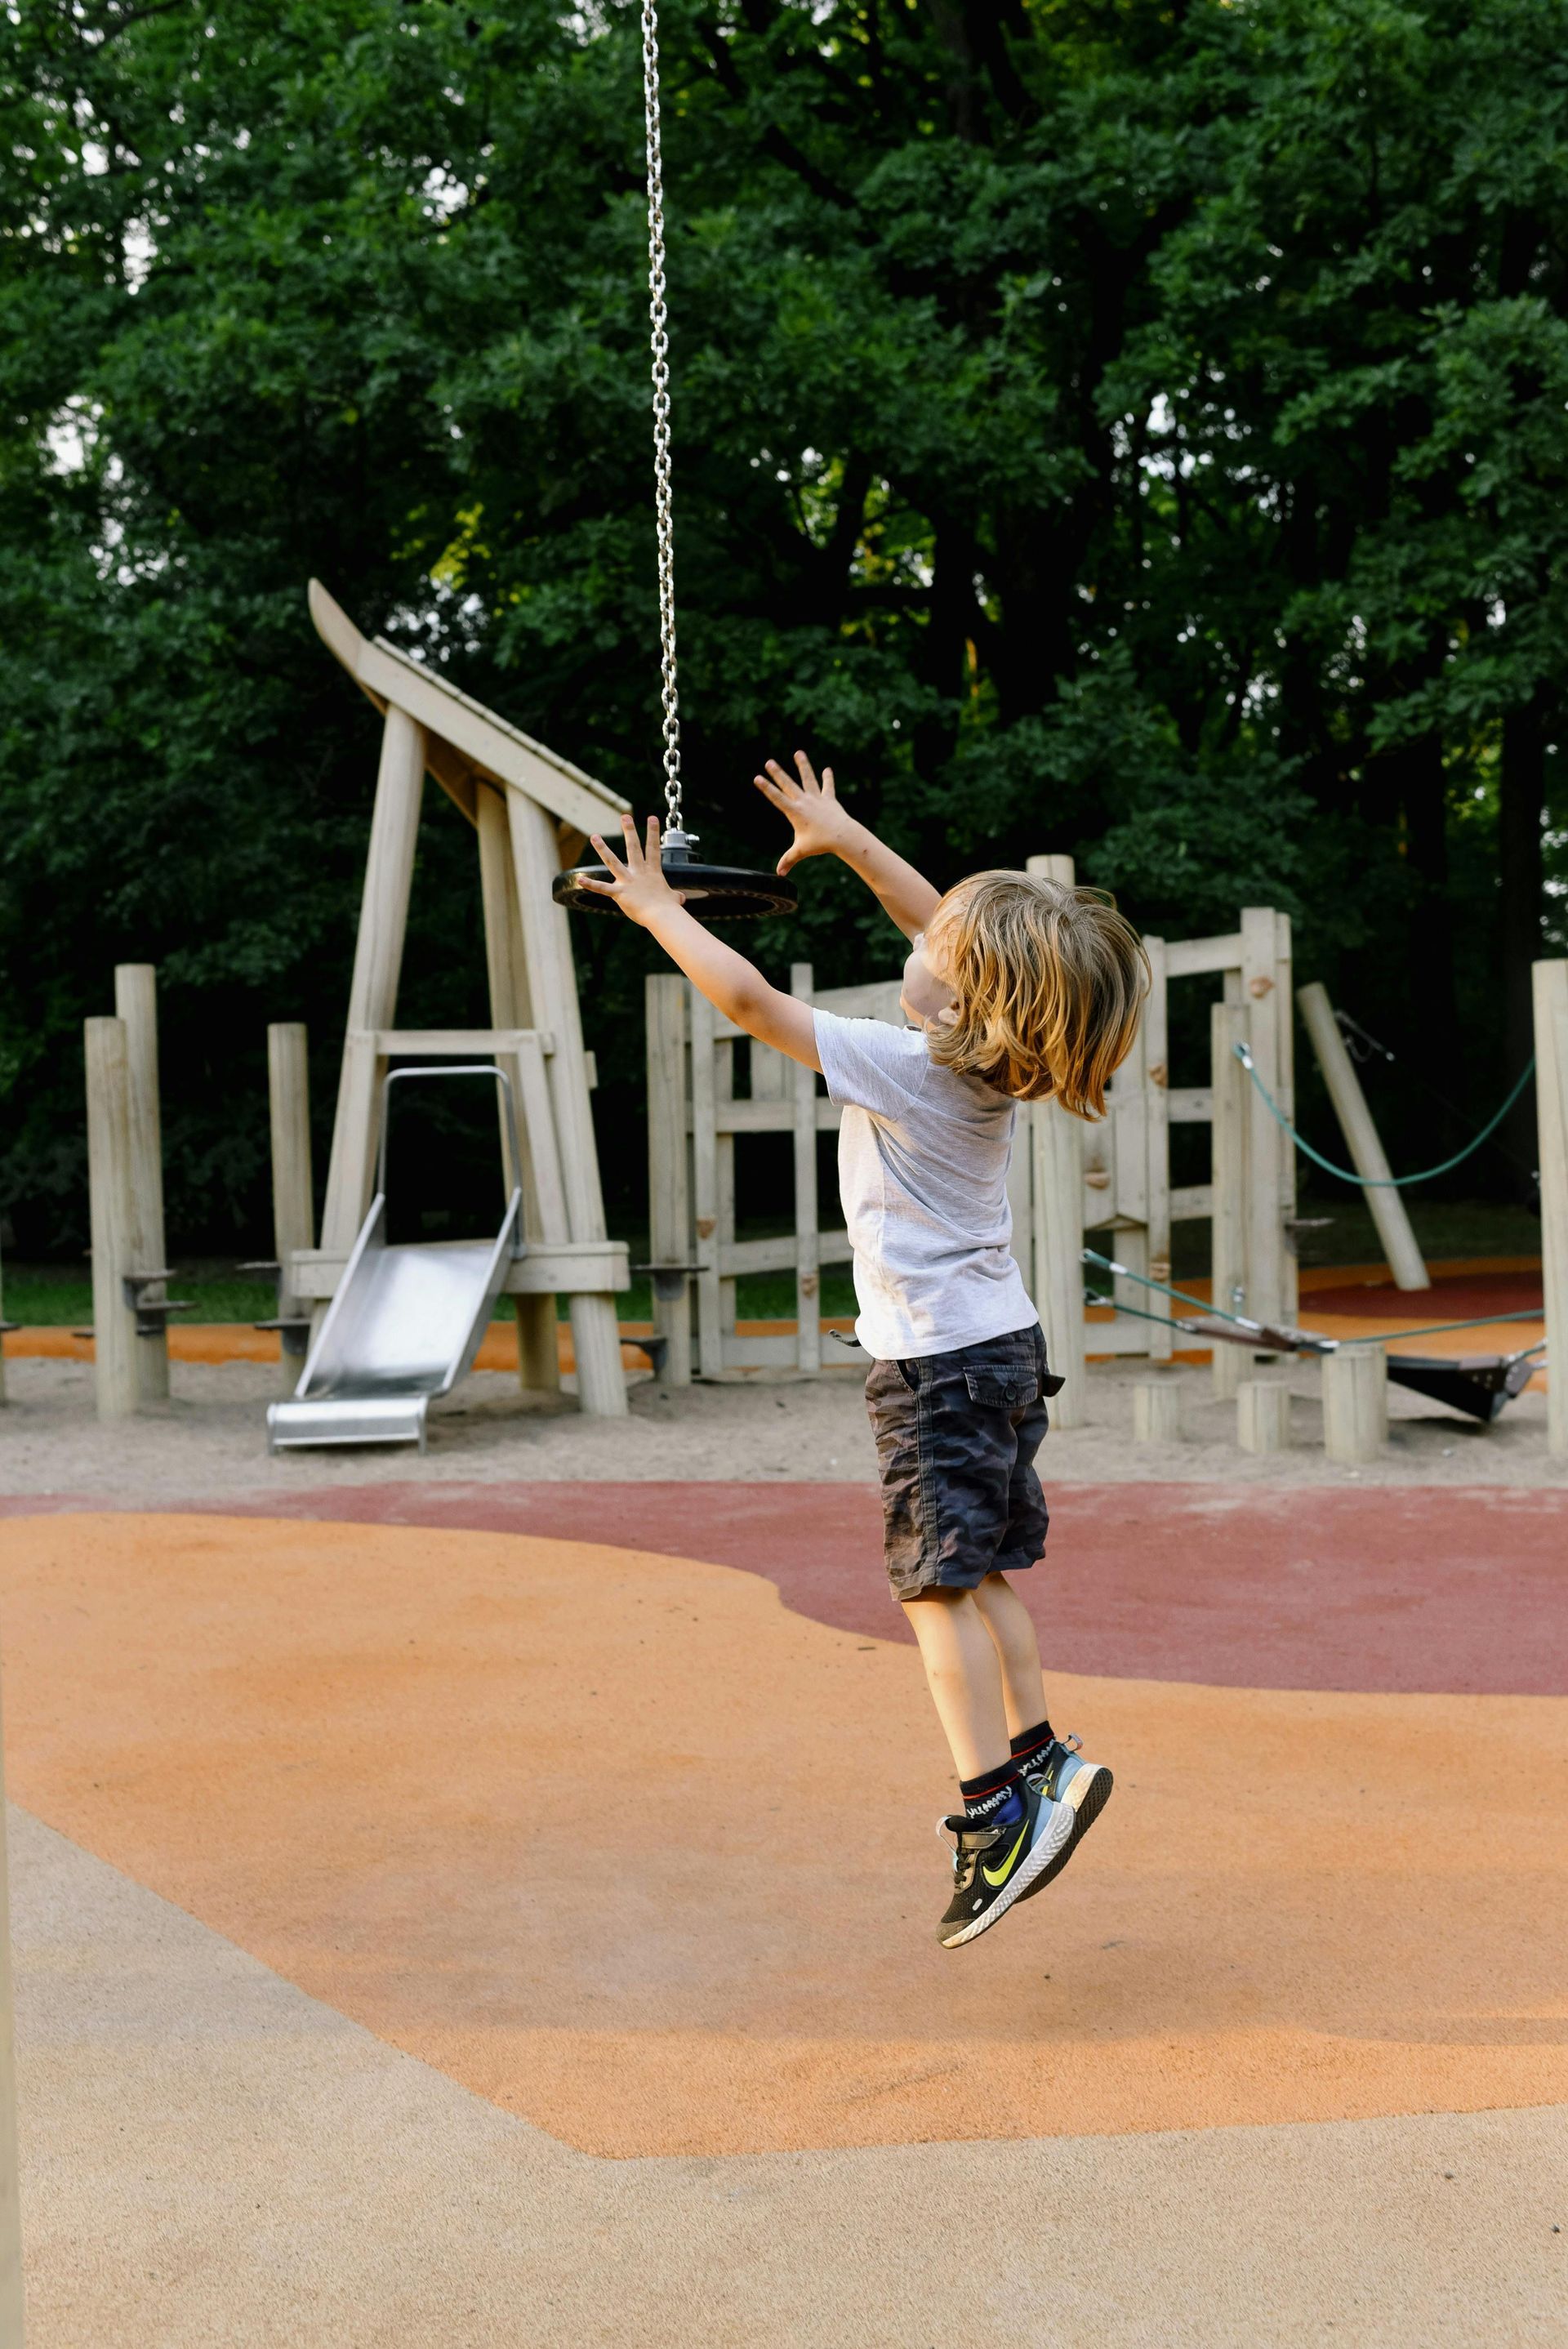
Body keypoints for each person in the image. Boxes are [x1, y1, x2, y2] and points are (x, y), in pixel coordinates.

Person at [584, 754, 1148, 1948]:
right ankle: (1044, 1758)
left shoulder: (906, 1065)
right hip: (999, 1348)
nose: (919, 946)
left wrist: (659, 912)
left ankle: (995, 1809)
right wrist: (843, 838)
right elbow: (946, 922)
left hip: (937, 1366)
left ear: (960, 998)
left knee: (933, 1586)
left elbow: (749, 1006)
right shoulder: (985, 1057)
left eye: (935, 956)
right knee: (982, 1565)